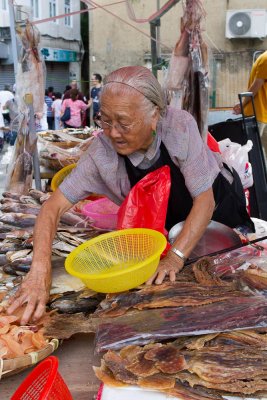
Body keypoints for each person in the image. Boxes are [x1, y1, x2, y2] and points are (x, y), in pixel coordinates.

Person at [8, 66, 254, 325]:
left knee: (232, 280)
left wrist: (175, 257)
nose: (113, 132)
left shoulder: (179, 127)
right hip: (170, 228)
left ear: (155, 116)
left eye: (124, 122)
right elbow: (52, 208)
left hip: (217, 209)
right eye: (105, 121)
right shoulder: (100, 155)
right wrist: (39, 270)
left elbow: (205, 201)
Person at [233, 51, 267, 137]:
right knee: (253, 148)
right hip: (258, 113)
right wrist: (242, 104)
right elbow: (256, 86)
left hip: (262, 114)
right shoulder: (266, 59)